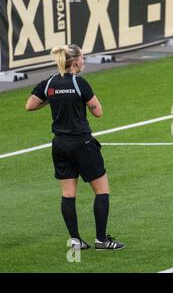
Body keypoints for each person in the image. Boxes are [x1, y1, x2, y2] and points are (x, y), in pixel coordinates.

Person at [25, 44, 124, 250]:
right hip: (82, 143)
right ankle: (101, 240)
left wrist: (52, 99)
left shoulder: (49, 83)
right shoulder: (79, 83)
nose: (84, 61)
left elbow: (30, 105)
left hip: (60, 145)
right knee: (102, 190)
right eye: (83, 58)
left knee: (68, 194)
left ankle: (76, 240)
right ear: (76, 61)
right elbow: (98, 112)